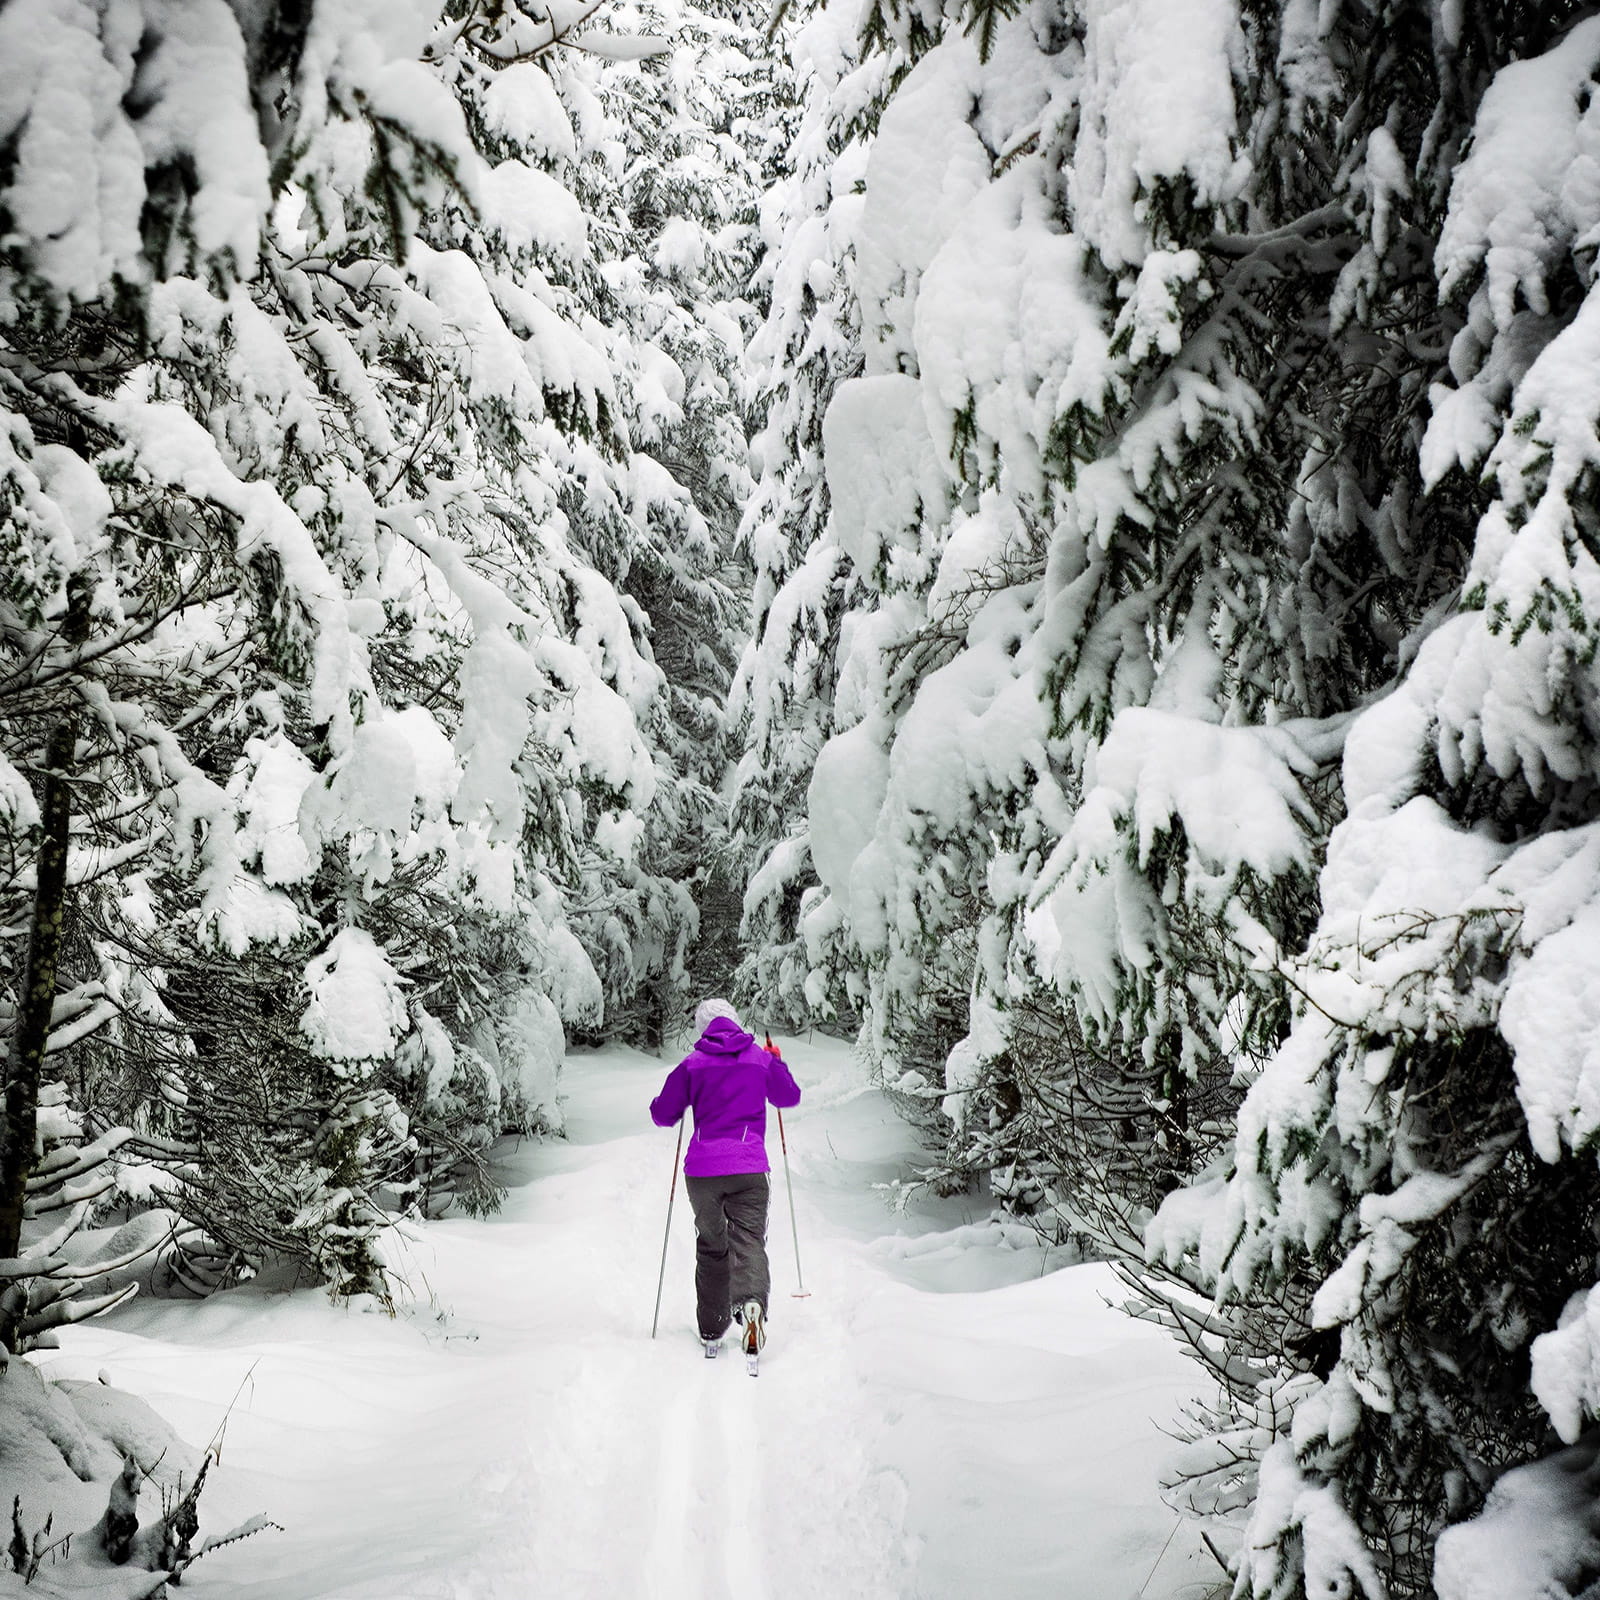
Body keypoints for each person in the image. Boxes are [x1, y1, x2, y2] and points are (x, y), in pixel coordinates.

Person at [650, 998, 801, 1359]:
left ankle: (712, 1328)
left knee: (712, 1245)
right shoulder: (759, 1058)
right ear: (735, 1022)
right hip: (749, 1168)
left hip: (702, 1172)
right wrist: (776, 1061)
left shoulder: (693, 1064)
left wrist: (679, 1098)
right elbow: (788, 1096)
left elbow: (662, 1114)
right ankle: (751, 1306)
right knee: (749, 1241)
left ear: (704, 1029)